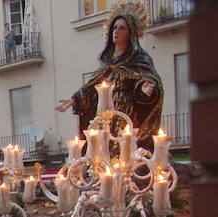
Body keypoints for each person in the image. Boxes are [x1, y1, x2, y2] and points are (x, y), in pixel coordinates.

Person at [55, 7, 162, 148]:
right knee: (104, 152)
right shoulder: (107, 64)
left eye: (122, 28)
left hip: (126, 115)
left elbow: (146, 78)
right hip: (105, 118)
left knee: (124, 151)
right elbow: (91, 90)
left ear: (130, 33)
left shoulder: (139, 59)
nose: (116, 31)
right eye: (114, 28)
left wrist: (144, 88)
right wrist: (75, 99)